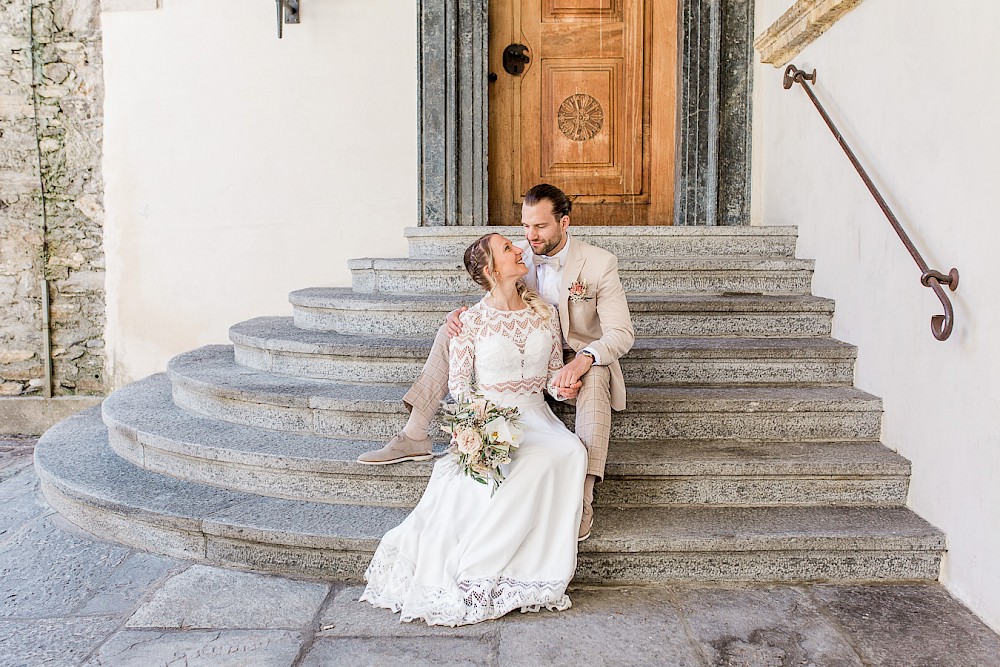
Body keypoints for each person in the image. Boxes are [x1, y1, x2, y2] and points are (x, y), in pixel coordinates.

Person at [358, 183, 635, 541]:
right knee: (452, 330)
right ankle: (414, 434)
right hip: (531, 352)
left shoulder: (599, 263)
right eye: (524, 226)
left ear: (564, 223)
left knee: (596, 376)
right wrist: (458, 318)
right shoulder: (518, 256)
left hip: (579, 353)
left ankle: (583, 496)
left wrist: (583, 359)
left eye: (540, 227)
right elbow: (494, 298)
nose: (528, 237)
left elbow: (621, 332)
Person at [359, 233, 588, 626]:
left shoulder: (546, 314)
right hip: (491, 419)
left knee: (570, 450)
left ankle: (525, 560)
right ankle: (478, 569)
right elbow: (461, 387)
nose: (519, 249)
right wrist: (477, 429)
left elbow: (551, 376)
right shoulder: (469, 321)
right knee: (518, 463)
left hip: (537, 416)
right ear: (490, 269)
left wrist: (563, 386)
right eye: (507, 249)